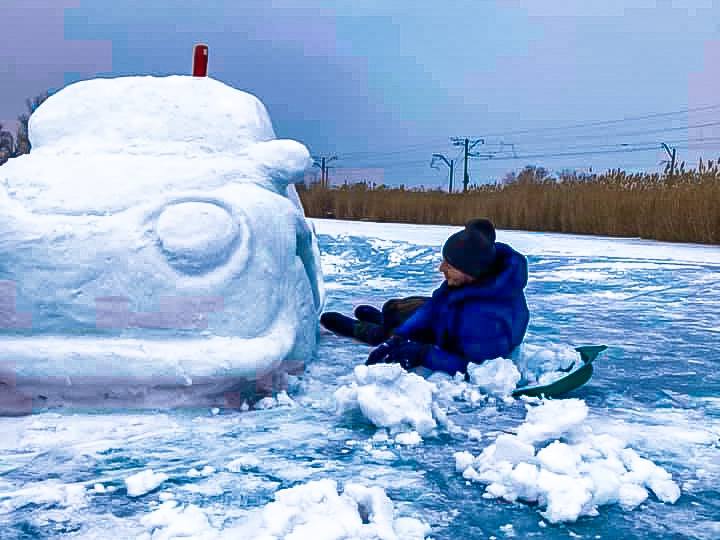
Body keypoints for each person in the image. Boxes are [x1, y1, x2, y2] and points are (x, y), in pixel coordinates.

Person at [320, 218, 529, 376]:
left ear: (469, 270)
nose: (441, 268)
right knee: (394, 310)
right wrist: (399, 336)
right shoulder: (470, 279)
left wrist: (422, 354)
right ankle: (387, 326)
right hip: (451, 319)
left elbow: (472, 368)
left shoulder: (486, 321)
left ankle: (368, 331)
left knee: (391, 337)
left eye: (449, 265)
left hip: (459, 338)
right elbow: (435, 305)